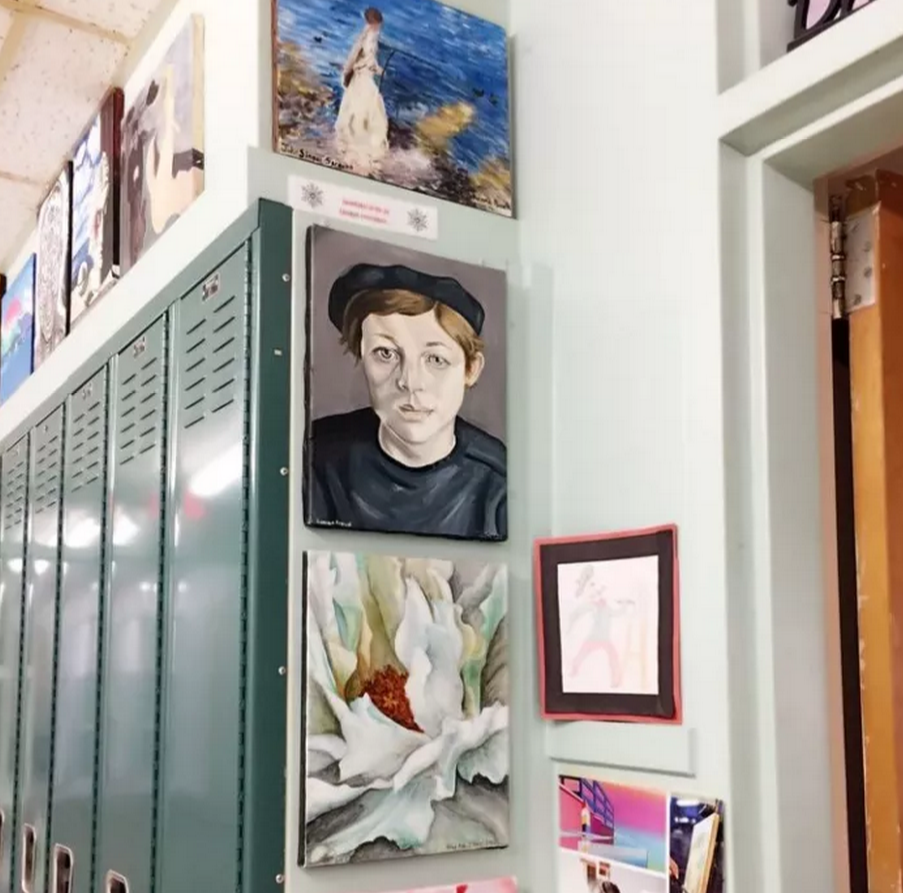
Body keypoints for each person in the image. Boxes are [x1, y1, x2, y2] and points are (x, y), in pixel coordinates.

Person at [308, 262, 507, 541]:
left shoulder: (498, 483)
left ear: (471, 369)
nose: (410, 381)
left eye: (436, 359)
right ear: (361, 355)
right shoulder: (317, 458)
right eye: (386, 353)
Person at [334, 7, 389, 171]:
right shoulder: (368, 36)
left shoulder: (369, 35)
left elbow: (366, 58)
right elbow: (357, 57)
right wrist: (347, 74)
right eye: (378, 24)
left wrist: (378, 69)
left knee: (361, 112)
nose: (379, 27)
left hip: (364, 78)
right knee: (366, 112)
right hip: (362, 80)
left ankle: (359, 149)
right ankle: (365, 152)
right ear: (374, 23)